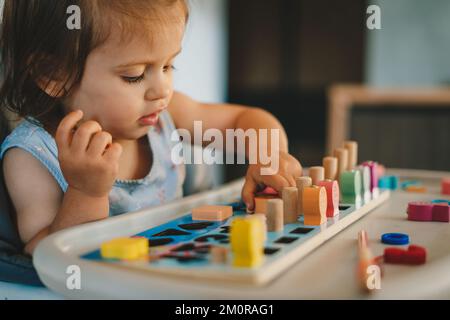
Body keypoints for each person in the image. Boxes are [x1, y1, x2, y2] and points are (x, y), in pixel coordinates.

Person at [0, 0, 302, 254]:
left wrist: (268, 157)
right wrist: (85, 193)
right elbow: (45, 257)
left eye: (169, 66)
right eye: (134, 75)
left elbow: (245, 121)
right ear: (53, 75)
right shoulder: (32, 156)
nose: (162, 90)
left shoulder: (167, 114)